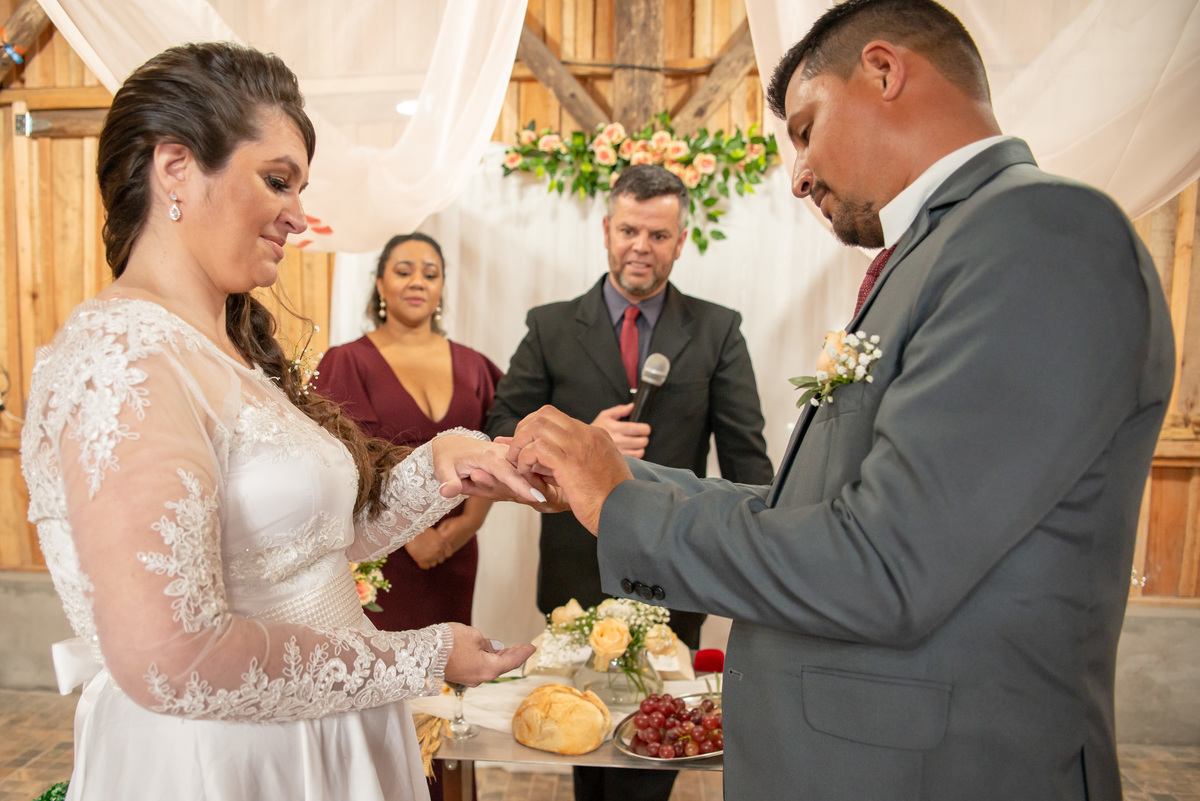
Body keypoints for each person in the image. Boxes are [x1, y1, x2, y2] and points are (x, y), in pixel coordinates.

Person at [498, 1, 1176, 799]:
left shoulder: (1043, 233)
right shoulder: (942, 250)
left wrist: (623, 507)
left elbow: (883, 563)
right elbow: (815, 509)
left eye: (806, 128)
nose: (798, 177)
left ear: (884, 72)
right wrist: (615, 477)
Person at [20, 42, 536, 801]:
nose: (298, 215)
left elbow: (302, 546)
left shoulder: (224, 351)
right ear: (175, 169)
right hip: (230, 761)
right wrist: (421, 657)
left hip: (322, 732)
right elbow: (176, 657)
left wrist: (439, 466)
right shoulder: (121, 357)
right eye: (277, 181)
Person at [485, 164, 773, 801]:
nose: (642, 246)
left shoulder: (718, 329)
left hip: (678, 565)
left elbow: (747, 459)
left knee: (659, 744)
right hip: (576, 569)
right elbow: (503, 425)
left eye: (659, 235)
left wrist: (766, 559)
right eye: (630, 230)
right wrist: (585, 439)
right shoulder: (551, 325)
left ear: (681, 238)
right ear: (607, 230)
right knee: (583, 744)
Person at [313, 232, 502, 801]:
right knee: (387, 688)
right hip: (382, 561)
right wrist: (410, 540)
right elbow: (343, 466)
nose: (417, 281)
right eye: (403, 270)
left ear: (442, 286)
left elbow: (499, 449)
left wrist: (466, 525)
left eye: (429, 271)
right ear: (379, 283)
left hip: (457, 554)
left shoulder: (475, 365)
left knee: (450, 684)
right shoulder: (346, 362)